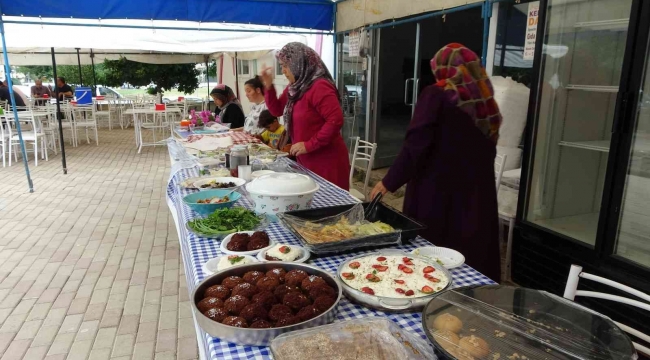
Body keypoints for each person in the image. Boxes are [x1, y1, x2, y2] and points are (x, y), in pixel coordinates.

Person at [369, 43, 503, 281]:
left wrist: (389, 181)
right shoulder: (486, 103)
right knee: (470, 258)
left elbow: (416, 144)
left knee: (432, 259)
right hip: (476, 197)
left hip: (438, 193)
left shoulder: (437, 95)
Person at [261, 42, 350, 190]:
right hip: (305, 159)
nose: (283, 70)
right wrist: (269, 86)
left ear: (298, 64)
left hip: (326, 161)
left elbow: (335, 121)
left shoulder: (319, 86)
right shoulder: (295, 87)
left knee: (327, 207)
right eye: (281, 66)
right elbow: (276, 110)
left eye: (285, 65)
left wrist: (309, 145)